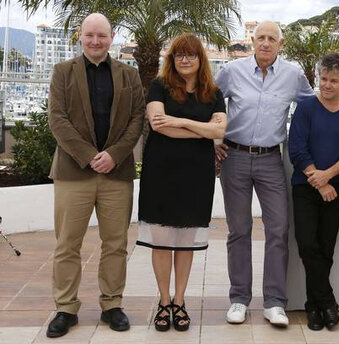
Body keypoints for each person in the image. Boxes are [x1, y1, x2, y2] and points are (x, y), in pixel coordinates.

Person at [46, 13, 144, 338]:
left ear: (112, 36)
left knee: (115, 244)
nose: (95, 41)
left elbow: (137, 120)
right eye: (90, 35)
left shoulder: (129, 75)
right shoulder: (62, 72)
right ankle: (65, 308)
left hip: (116, 173)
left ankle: (112, 305)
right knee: (66, 245)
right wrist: (90, 157)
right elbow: (57, 120)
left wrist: (114, 155)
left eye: (101, 35)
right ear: (80, 36)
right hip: (74, 172)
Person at [214, 21, 314, 327]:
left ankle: (274, 302)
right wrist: (214, 138)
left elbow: (312, 109)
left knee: (278, 229)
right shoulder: (233, 71)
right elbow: (210, 102)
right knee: (239, 230)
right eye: (261, 38)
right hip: (234, 157)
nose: (266, 43)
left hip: (272, 159)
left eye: (272, 39)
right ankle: (239, 299)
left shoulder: (294, 75)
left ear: (280, 44)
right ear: (252, 41)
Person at [137, 33, 227, 332]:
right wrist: (201, 129)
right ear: (172, 59)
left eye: (191, 54)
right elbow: (159, 126)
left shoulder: (213, 92)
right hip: (161, 172)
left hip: (196, 175)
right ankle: (164, 301)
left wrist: (180, 121)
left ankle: (180, 300)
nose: (185, 59)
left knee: (186, 242)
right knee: (162, 242)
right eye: (179, 55)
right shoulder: (159, 86)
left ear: (201, 59)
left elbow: (219, 132)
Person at [288, 53, 339, 331]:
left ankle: (314, 307)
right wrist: (319, 180)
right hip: (305, 187)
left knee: (325, 246)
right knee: (307, 244)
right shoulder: (306, 108)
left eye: (333, 80)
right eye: (323, 79)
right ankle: (327, 302)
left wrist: (329, 177)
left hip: (335, 189)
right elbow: (296, 148)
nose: (327, 85)